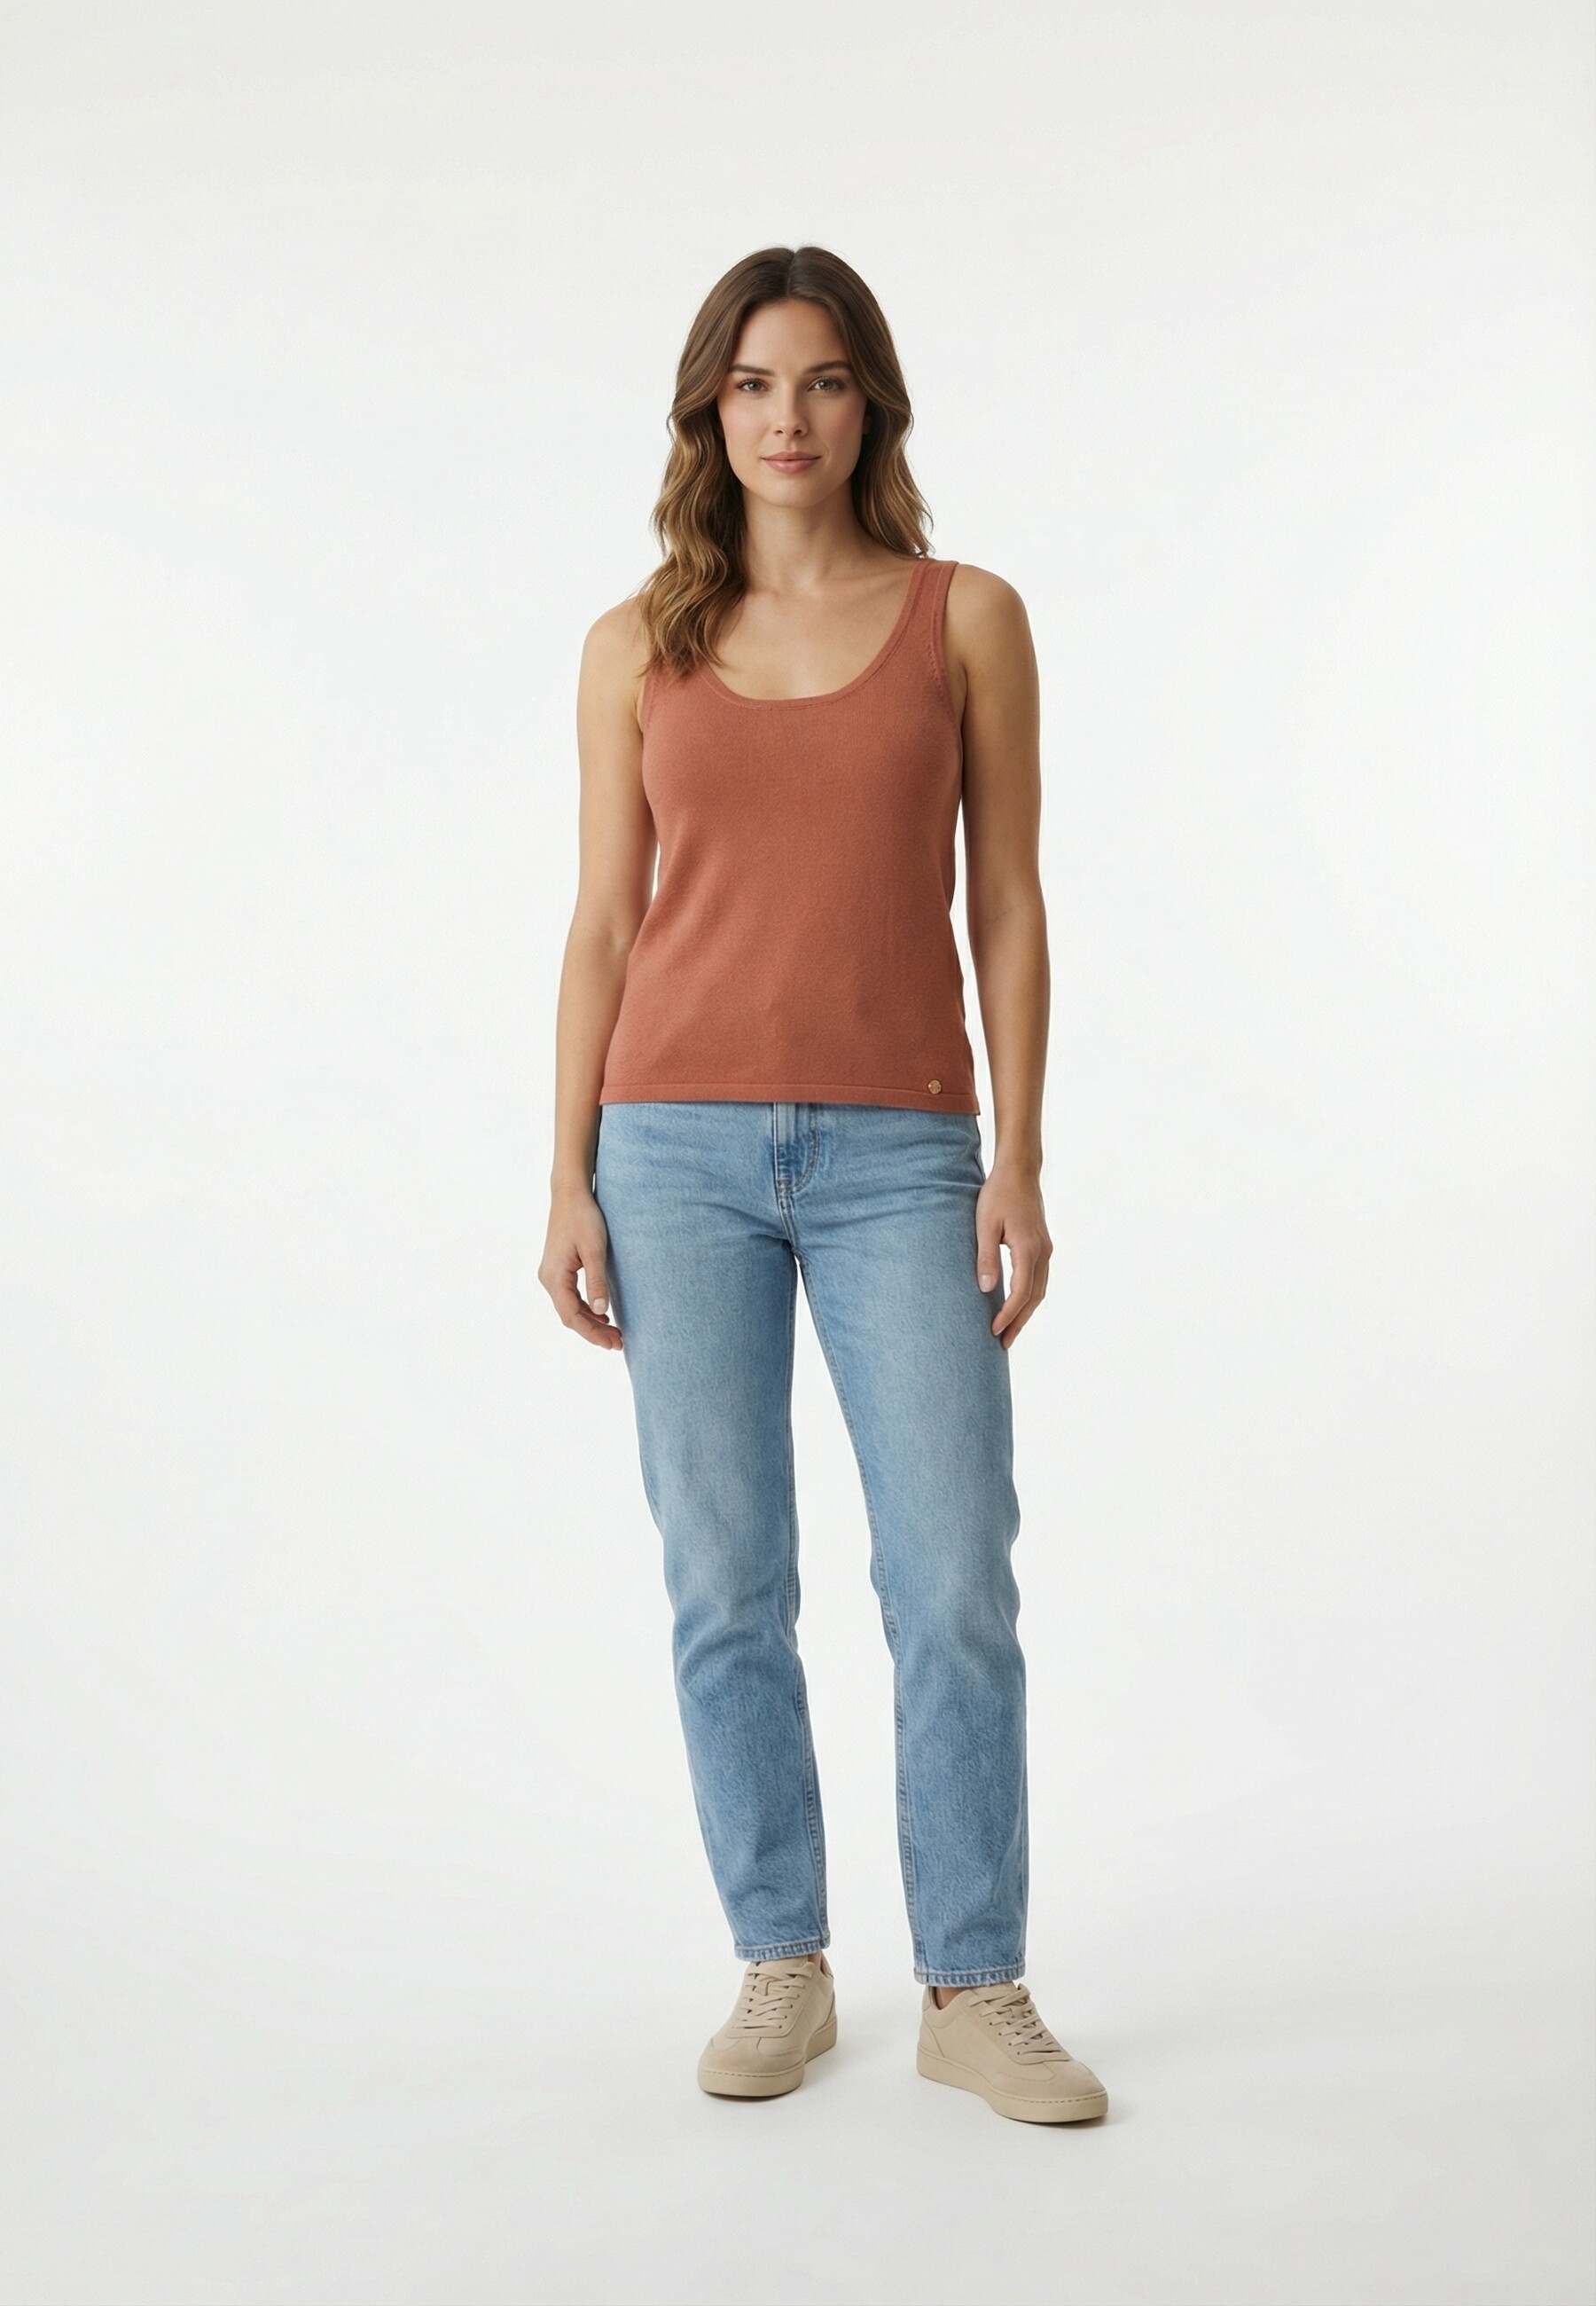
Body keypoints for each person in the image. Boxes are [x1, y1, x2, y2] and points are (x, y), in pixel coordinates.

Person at [540, 245, 1107, 2126]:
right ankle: (781, 1960)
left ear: (874, 405)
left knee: (951, 1577)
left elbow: (1007, 899)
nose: (789, 418)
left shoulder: (967, 618)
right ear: (710, 411)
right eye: (755, 385)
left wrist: (1019, 1152)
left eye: (826, 381)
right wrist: (567, 1172)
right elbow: (603, 919)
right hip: (671, 1151)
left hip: (901, 1153)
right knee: (726, 1582)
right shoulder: (635, 643)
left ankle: (974, 1984)